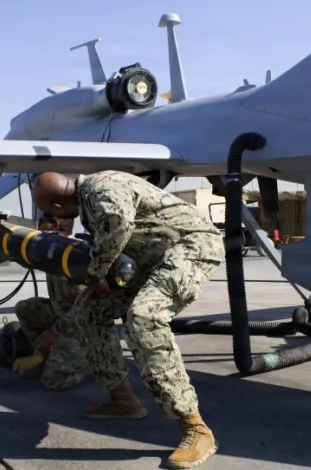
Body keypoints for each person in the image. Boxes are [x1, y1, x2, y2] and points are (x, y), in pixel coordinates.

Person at [30, 170, 224, 469]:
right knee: (90, 311)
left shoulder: (101, 188)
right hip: (152, 257)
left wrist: (95, 274)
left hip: (190, 248)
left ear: (56, 205)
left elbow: (118, 225)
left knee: (144, 317)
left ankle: (195, 427)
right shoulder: (90, 196)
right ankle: (122, 399)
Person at [11, 215, 89, 390]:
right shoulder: (49, 251)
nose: (40, 227)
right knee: (25, 308)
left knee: (53, 381)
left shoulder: (76, 257)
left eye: (45, 223)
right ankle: (48, 358)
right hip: (60, 314)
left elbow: (85, 309)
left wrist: (55, 331)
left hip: (82, 327)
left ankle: (89, 366)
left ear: (56, 225)